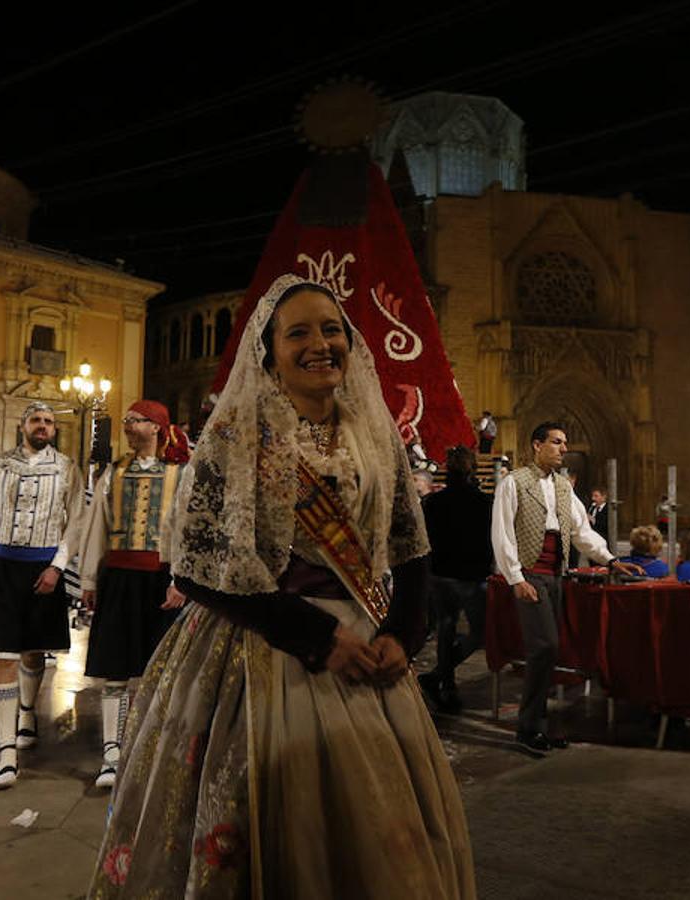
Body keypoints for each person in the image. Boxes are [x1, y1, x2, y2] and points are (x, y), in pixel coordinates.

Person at [90, 275, 476, 898]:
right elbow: (194, 564)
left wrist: (404, 632)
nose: (320, 344)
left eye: (332, 330)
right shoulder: (235, 438)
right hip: (258, 649)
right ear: (267, 350)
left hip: (368, 647)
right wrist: (317, 638)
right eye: (298, 332)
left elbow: (410, 546)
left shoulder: (376, 437)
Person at [0, 402, 85, 791]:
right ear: (21, 425)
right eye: (36, 420)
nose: (42, 426)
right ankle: (6, 751)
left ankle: (27, 712)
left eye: (48, 422)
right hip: (1, 569)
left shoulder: (67, 468)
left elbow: (76, 521)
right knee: (4, 657)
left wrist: (57, 567)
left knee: (32, 651)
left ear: (54, 430)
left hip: (43, 569)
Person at [491, 421, 643, 753]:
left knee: (550, 651)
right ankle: (529, 728)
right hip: (529, 574)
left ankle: (537, 726)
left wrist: (611, 560)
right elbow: (501, 534)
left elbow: (580, 532)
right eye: (557, 442)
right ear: (536, 445)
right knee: (543, 647)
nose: (563, 449)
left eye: (565, 443)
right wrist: (515, 578)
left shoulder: (563, 487)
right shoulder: (513, 483)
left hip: (555, 576)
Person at [78, 398, 188, 789]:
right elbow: (97, 526)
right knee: (115, 668)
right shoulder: (113, 473)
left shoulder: (181, 474)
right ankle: (112, 751)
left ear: (157, 427)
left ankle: (153, 744)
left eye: (135, 420)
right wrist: (89, 580)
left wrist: (182, 581)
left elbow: (187, 532)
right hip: (121, 577)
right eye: (126, 420)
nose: (127, 426)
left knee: (162, 671)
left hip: (162, 580)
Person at [418, 445, 491, 712]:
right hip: (470, 576)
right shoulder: (483, 503)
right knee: (479, 632)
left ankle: (444, 683)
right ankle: (440, 678)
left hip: (442, 574)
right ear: (471, 468)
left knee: (446, 630)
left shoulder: (434, 503)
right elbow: (488, 541)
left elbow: (425, 540)